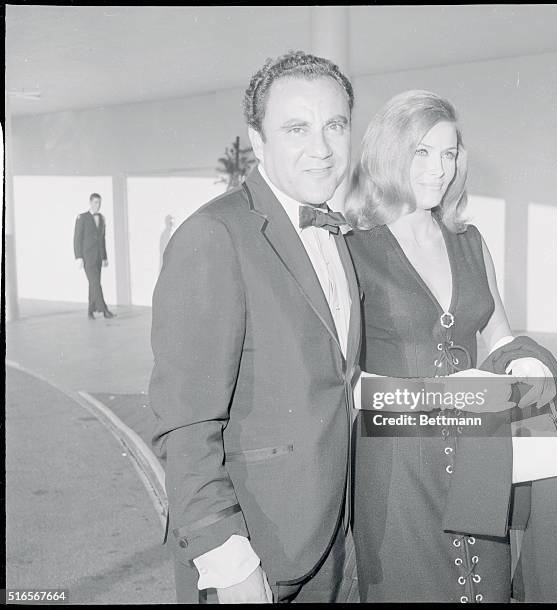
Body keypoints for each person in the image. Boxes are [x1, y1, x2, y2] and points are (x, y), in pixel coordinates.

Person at [343, 90, 557, 602]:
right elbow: (344, 380)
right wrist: (438, 398)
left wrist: (523, 360)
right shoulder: (352, 248)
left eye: (448, 153)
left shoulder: (468, 239)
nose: (438, 170)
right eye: (422, 152)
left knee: (486, 583)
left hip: (480, 453)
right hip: (397, 463)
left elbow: (498, 334)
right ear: (388, 152)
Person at [149, 51, 361, 604]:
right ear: (258, 140)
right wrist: (228, 559)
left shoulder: (344, 234)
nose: (321, 147)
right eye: (297, 128)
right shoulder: (214, 235)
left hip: (335, 542)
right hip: (255, 553)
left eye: (335, 125)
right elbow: (185, 423)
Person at [73, 193, 115, 319]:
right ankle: (104, 310)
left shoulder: (101, 218)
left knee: (94, 284)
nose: (98, 205)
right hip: (87, 257)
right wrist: (78, 257)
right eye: (96, 202)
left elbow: (102, 239)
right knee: (96, 283)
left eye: (99, 203)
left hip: (98, 257)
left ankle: (91, 310)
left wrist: (104, 257)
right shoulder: (82, 218)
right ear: (90, 202)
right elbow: (77, 239)